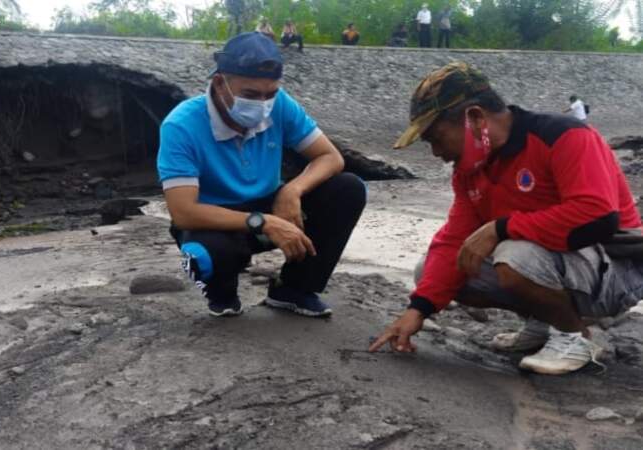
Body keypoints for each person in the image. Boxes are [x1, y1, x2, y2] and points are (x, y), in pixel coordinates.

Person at [370, 62, 643, 375]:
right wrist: (418, 309)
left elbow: (598, 216)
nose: (435, 152)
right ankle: (543, 323)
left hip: (618, 266)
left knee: (513, 255)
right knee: (441, 266)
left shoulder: (563, 135)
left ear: (474, 118)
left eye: (437, 138)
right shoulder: (470, 171)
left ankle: (574, 336)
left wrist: (500, 228)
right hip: (562, 263)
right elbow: (455, 239)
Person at [157, 32, 366, 318]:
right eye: (251, 95)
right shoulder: (181, 125)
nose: (263, 104)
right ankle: (221, 290)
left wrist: (293, 191)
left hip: (270, 202)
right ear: (220, 83)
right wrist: (263, 222)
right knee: (202, 256)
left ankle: (295, 289)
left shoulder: (279, 105)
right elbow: (183, 212)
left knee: (348, 189)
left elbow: (330, 157)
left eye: (270, 94)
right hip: (215, 220)